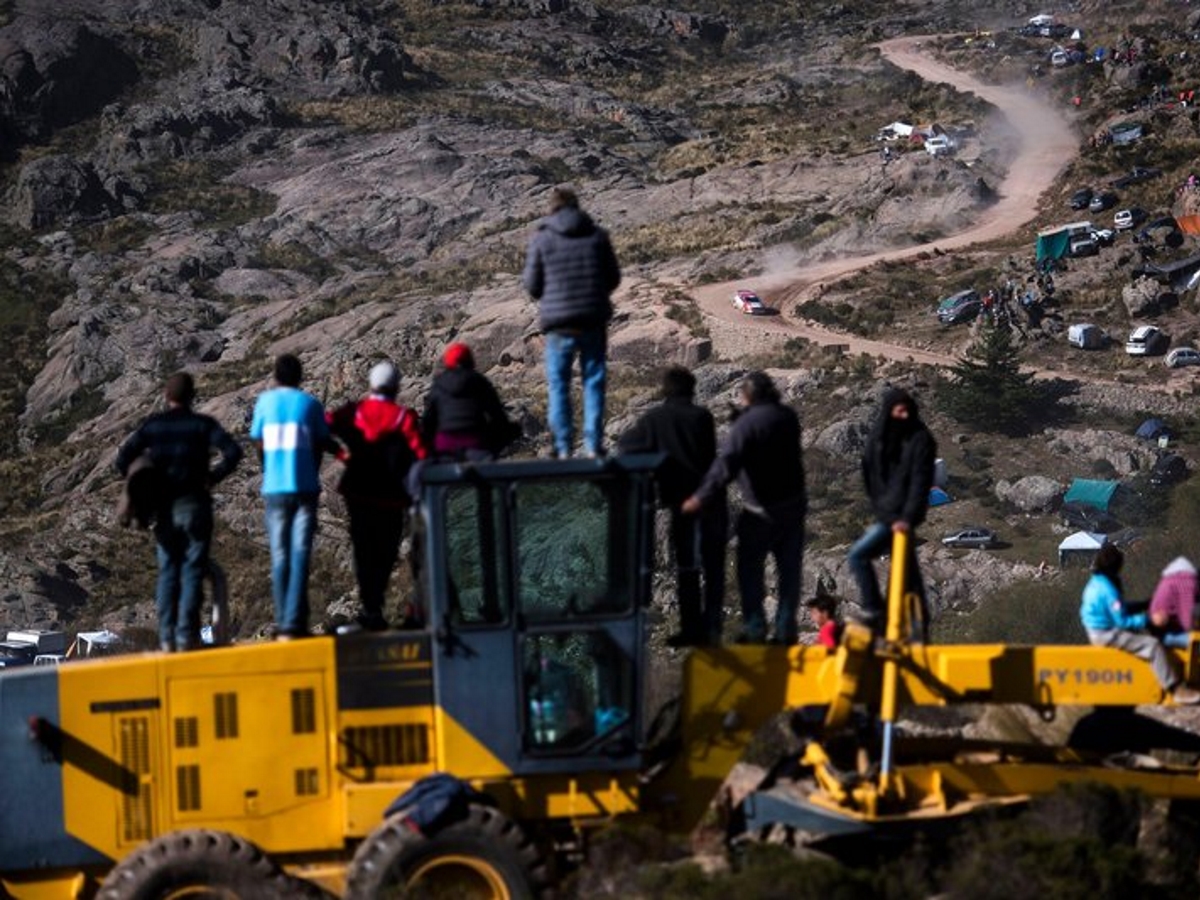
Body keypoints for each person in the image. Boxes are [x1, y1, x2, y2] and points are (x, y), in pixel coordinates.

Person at [115, 372, 242, 652]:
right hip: (196, 505)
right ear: (192, 396)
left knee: (168, 572)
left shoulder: (154, 426)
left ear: (166, 396)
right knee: (193, 570)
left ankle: (167, 637)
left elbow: (123, 458)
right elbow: (233, 452)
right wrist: (214, 476)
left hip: (164, 509)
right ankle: (187, 636)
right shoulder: (202, 425)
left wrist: (143, 483)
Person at [682, 371, 806, 645]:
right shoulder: (788, 417)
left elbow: (726, 465)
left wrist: (699, 497)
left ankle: (756, 625)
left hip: (761, 511)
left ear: (748, 395)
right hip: (793, 508)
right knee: (789, 571)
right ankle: (786, 628)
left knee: (749, 568)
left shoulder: (746, 425)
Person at [617, 366, 726, 647]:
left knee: (686, 566)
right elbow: (709, 458)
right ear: (691, 389)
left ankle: (690, 628)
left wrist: (654, 462)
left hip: (679, 502)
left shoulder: (655, 419)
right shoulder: (703, 417)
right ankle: (712, 627)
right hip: (708, 500)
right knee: (712, 567)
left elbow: (627, 444)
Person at [521, 186, 621, 458]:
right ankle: (593, 445)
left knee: (558, 383)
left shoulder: (541, 239)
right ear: (577, 207)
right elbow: (613, 278)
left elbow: (531, 284)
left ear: (551, 208)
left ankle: (563, 447)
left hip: (558, 323)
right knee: (593, 381)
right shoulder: (598, 236)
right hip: (592, 318)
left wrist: (552, 295)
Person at [327, 360, 428, 631]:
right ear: (395, 387)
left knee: (364, 552)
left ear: (371, 384)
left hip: (358, 493)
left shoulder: (352, 412)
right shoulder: (403, 418)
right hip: (390, 496)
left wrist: (339, 453)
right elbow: (420, 453)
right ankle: (375, 607)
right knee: (385, 553)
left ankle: (370, 608)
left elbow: (324, 425)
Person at [249, 354, 332, 639]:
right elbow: (321, 441)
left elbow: (259, 442)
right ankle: (295, 623)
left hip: (275, 488)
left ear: (276, 376)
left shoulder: (264, 403)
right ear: (300, 376)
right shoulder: (310, 404)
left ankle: (284, 620)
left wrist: (268, 468)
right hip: (305, 487)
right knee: (299, 554)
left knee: (280, 555)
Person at [847, 387, 937, 635]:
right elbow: (870, 475)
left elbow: (920, 482)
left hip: (899, 519)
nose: (903, 416)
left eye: (907, 411)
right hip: (887, 515)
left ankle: (876, 611)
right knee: (908, 574)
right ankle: (912, 627)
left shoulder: (919, 440)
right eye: (899, 411)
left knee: (859, 556)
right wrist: (883, 509)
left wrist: (906, 518)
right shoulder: (881, 439)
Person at [1080, 545, 1200, 704]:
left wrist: (1142, 605)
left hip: (1097, 629)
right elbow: (1122, 621)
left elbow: (1116, 610)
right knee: (1153, 646)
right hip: (1106, 633)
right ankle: (1175, 689)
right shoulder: (1108, 589)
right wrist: (1149, 619)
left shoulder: (1096, 582)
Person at [423, 343, 520, 460]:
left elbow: (429, 420)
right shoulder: (480, 382)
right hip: (475, 441)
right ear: (469, 360)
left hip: (445, 444)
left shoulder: (438, 384)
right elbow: (497, 414)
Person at [1150, 556, 1198, 648]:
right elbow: (1187, 616)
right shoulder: (1186, 582)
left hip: (1161, 630)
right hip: (1167, 633)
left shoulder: (1168, 580)